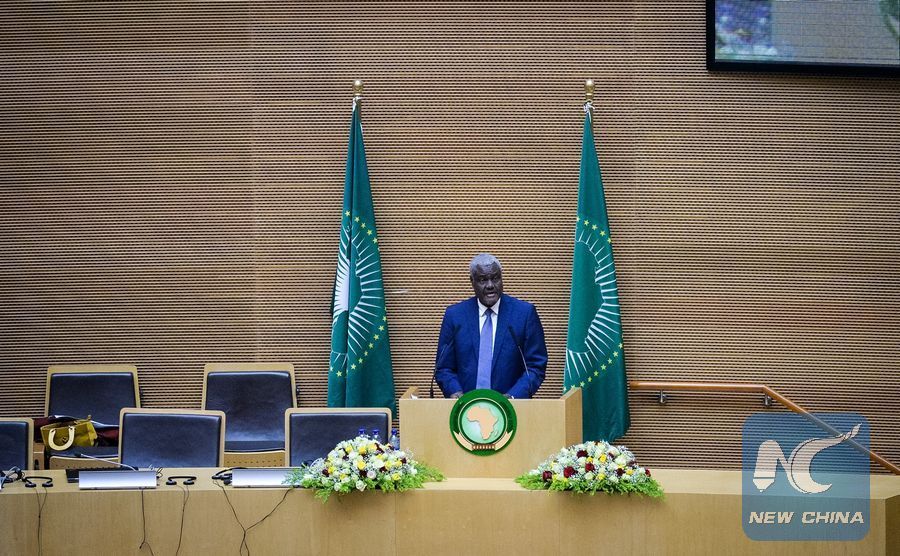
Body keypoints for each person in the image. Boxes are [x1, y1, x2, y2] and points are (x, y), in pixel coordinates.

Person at [435, 253, 547, 399]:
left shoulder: (524, 314)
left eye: (495, 278)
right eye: (482, 280)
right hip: (465, 408)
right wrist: (455, 393)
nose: (490, 285)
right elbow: (443, 368)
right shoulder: (455, 316)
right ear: (472, 281)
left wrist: (513, 397)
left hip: (512, 409)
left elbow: (535, 366)